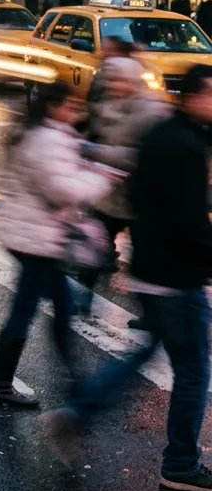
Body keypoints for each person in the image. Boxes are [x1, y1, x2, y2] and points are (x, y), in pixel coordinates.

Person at [43, 65, 212, 491]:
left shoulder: (159, 135)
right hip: (177, 276)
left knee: (147, 350)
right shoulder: (188, 145)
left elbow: (135, 196)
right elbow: (192, 220)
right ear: (193, 96)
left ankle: (79, 410)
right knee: (193, 371)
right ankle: (181, 464)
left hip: (151, 269)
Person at [0, 81, 113, 407]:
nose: (76, 111)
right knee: (26, 311)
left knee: (61, 307)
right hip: (36, 240)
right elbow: (62, 191)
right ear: (55, 105)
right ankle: (1, 385)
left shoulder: (43, 134)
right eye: (71, 104)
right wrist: (100, 178)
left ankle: (75, 381)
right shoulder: (48, 138)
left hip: (39, 237)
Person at [74, 57, 169, 316]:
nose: (114, 85)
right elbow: (92, 133)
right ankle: (84, 299)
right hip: (108, 194)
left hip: (138, 198)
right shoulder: (107, 105)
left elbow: (142, 155)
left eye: (120, 80)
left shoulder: (151, 111)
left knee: (146, 261)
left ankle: (152, 316)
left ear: (132, 81)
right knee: (93, 249)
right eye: (111, 80)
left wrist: (97, 151)